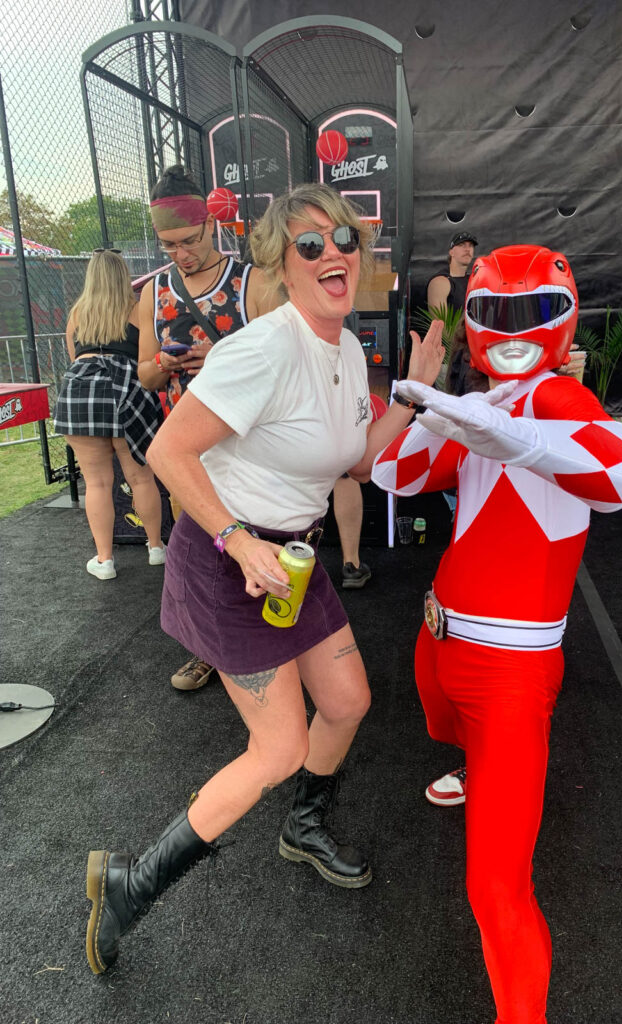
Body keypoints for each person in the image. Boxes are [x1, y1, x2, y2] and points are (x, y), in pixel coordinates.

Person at [84, 182, 444, 975]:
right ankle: (130, 886)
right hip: (231, 563)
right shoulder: (264, 349)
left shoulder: (344, 349)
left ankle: (302, 828)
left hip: (291, 560)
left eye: (344, 239)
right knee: (279, 746)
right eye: (310, 244)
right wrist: (238, 539)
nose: (332, 253)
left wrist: (413, 395)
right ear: (282, 263)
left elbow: (357, 461)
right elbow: (170, 452)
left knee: (346, 702)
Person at [372, 245, 622, 1024]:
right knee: (442, 726)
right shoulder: (488, 401)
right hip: (440, 639)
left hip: (510, 677)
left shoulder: (557, 395)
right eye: (498, 312)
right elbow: (393, 474)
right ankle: (472, 767)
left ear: (562, 317)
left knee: (495, 886)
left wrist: (515, 438)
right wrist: (440, 414)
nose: (515, 329)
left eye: (532, 312)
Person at [137, 164, 279, 692]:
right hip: (186, 452)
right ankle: (208, 650)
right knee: (200, 552)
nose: (181, 254)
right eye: (168, 245)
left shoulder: (253, 282)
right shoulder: (154, 292)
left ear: (211, 224)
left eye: (190, 240)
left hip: (249, 448)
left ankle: (270, 642)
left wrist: (219, 356)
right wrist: (166, 364)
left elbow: (284, 361)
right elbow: (145, 373)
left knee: (258, 542)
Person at [52, 249, 165, 579]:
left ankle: (105, 561)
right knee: (141, 477)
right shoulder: (138, 310)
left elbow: (74, 357)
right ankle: (156, 547)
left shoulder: (77, 314)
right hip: (126, 391)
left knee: (97, 483)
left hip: (79, 393)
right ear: (123, 276)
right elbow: (149, 357)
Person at [427, 230, 477, 313]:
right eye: (461, 245)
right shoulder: (440, 282)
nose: (467, 249)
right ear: (451, 252)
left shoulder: (473, 280)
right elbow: (441, 321)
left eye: (471, 246)